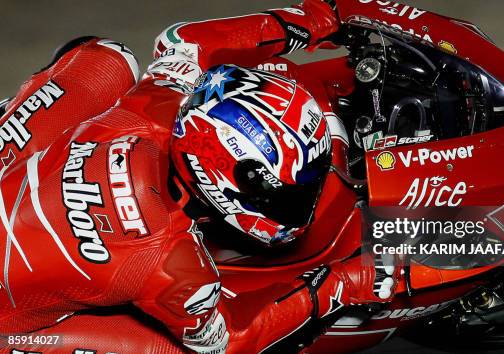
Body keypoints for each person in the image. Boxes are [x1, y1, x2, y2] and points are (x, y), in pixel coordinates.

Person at [0, 1, 399, 353]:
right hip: (7, 324)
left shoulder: (157, 102)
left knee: (106, 59)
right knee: (176, 350)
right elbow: (231, 339)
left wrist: (318, 17)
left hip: (32, 184)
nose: (301, 202)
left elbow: (182, 39)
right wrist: (340, 285)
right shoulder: (172, 263)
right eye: (284, 193)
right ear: (220, 182)